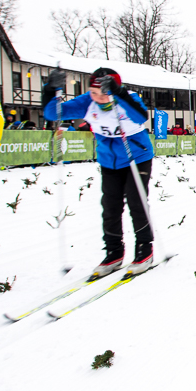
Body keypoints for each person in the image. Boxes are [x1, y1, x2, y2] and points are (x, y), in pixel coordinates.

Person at [42, 66, 156, 277]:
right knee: (110, 206)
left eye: (104, 94)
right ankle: (114, 252)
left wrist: (118, 93)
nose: (99, 98)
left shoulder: (128, 98)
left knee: (136, 200)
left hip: (137, 158)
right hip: (109, 161)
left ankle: (144, 249)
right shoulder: (87, 102)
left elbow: (140, 117)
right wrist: (50, 89)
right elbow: (51, 113)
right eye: (94, 93)